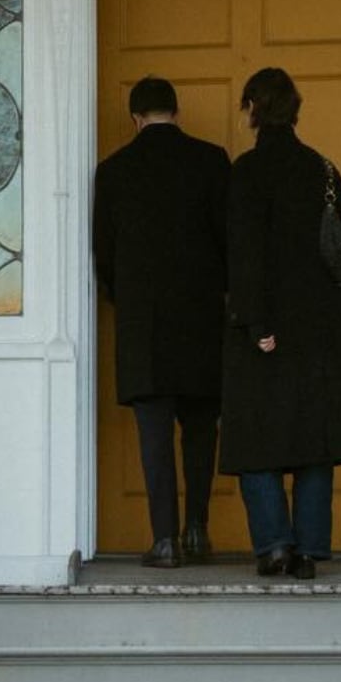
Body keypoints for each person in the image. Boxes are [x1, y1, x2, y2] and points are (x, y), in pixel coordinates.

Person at [221, 67, 341, 580]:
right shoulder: (324, 171)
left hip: (267, 326)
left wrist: (255, 321)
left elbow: (243, 256)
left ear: (252, 109)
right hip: (323, 326)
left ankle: (275, 546)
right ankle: (309, 550)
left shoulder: (246, 172)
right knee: (316, 440)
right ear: (296, 110)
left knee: (257, 438)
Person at [92, 75, 231, 567]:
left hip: (143, 323)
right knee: (199, 429)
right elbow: (230, 242)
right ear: (176, 111)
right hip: (201, 319)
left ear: (135, 118)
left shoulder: (113, 172)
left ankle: (165, 540)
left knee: (154, 435)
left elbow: (103, 255)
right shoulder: (212, 161)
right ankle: (197, 529)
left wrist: (123, 297)